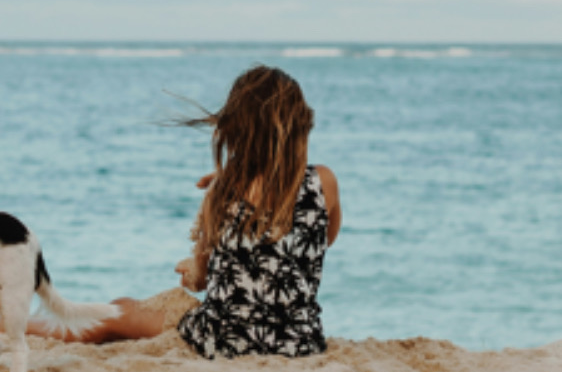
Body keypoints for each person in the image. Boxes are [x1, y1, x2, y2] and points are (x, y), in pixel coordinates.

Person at [31, 65, 342, 355]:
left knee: (118, 312)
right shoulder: (324, 181)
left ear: (235, 128)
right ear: (300, 126)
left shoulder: (222, 192)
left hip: (225, 340)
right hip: (301, 341)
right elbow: (320, 243)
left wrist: (193, 268)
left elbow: (204, 280)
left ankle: (7, 323)